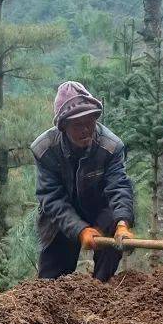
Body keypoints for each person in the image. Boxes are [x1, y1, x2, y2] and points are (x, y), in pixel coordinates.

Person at [31, 80, 135, 281]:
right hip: (60, 218)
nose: (86, 129)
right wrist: (80, 229)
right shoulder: (45, 150)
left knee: (113, 225)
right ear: (63, 126)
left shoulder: (111, 146)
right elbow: (51, 198)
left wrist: (123, 222)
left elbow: (119, 187)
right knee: (49, 283)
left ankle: (100, 290)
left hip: (101, 211)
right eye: (78, 125)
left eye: (90, 122)